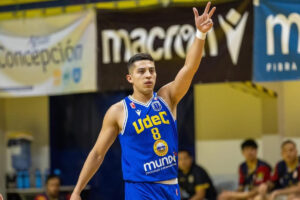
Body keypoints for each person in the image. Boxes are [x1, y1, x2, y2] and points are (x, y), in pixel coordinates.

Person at [70, 2, 216, 200]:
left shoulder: (167, 97)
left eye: (152, 70)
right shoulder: (118, 111)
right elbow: (97, 153)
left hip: (170, 187)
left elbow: (189, 68)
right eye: (141, 71)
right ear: (130, 78)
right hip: (140, 189)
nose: (148, 75)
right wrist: (77, 190)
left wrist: (200, 34)